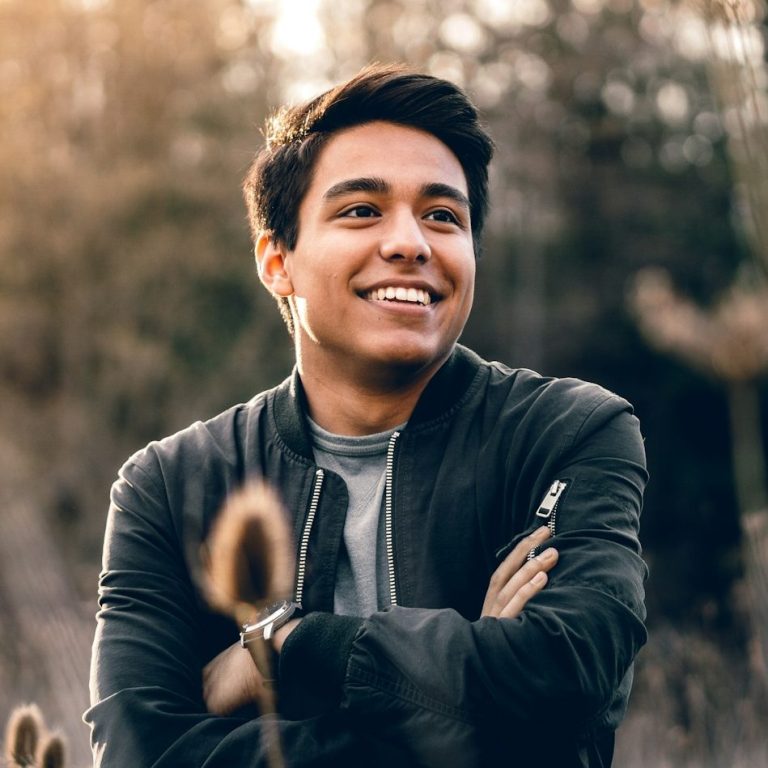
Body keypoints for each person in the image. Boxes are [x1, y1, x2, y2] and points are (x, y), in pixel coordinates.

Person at [85, 63, 648, 767]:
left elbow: (567, 674)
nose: (411, 243)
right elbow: (138, 751)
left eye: (443, 215)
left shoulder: (564, 433)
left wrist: (288, 648)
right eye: (361, 210)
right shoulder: (172, 484)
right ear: (276, 259)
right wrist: (468, 689)